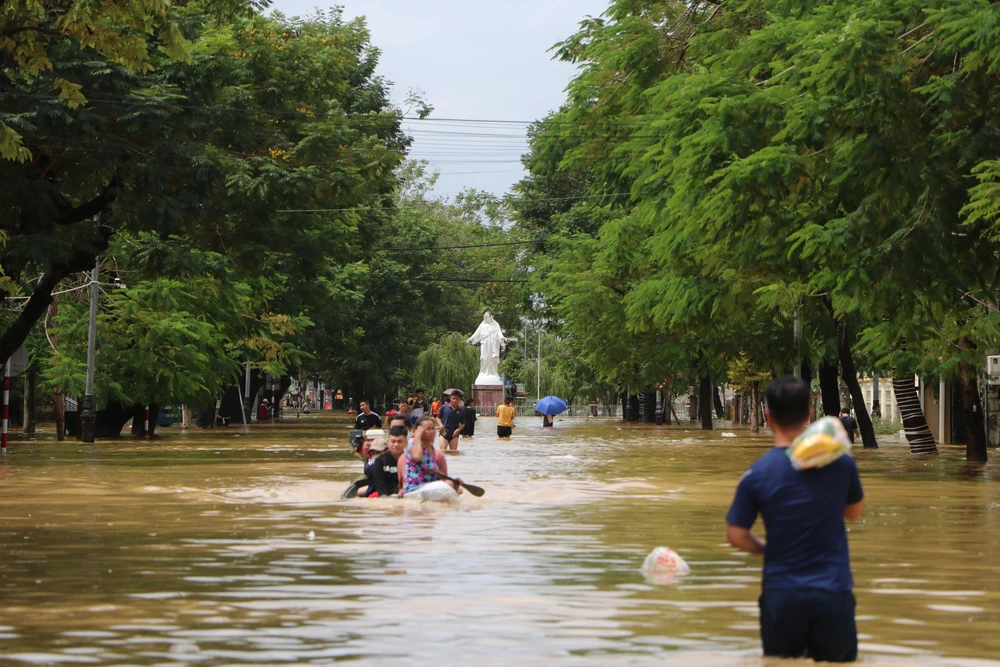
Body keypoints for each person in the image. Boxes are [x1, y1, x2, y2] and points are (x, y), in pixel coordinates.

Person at [726, 376, 864, 663]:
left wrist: (769, 548)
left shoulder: (757, 474)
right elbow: (854, 513)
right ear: (810, 414)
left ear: (767, 416)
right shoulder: (842, 463)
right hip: (833, 593)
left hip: (782, 595)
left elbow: (736, 535)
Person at [401, 416, 460, 495]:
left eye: (433, 428)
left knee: (455, 487)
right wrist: (417, 436)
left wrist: (454, 482)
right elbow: (417, 457)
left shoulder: (431, 448)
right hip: (415, 487)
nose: (431, 431)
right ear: (419, 431)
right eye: (428, 429)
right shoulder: (413, 444)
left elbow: (441, 475)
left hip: (430, 486)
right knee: (449, 485)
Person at [369, 425, 407, 497]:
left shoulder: (412, 461)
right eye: (393, 441)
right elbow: (382, 490)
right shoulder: (380, 462)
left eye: (400, 441)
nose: (396, 444)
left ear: (406, 443)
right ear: (388, 442)